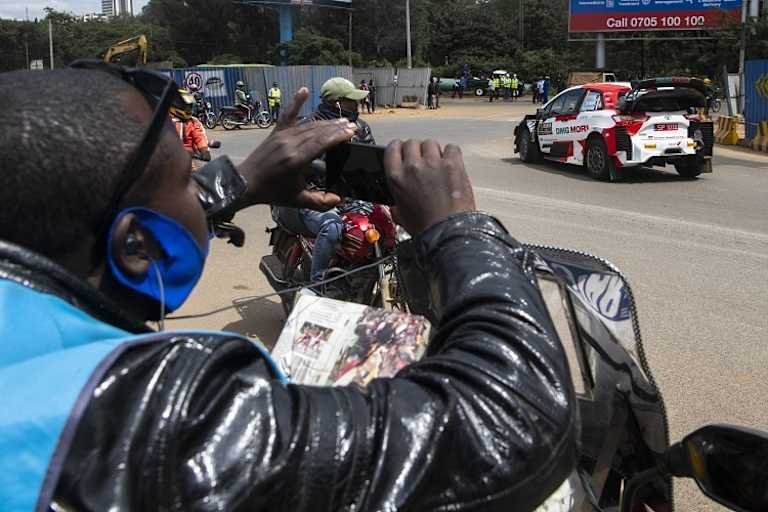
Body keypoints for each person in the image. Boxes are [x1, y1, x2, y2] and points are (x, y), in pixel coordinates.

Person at [0, 64, 577, 511]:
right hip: (309, 219)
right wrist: (458, 227)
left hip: (331, 205)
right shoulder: (155, 413)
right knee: (329, 229)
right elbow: (509, 428)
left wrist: (238, 181)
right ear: (137, 245)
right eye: (184, 181)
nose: (197, 190)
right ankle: (317, 285)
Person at [272, 77, 374, 282]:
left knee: (390, 220)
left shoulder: (360, 128)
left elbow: (372, 161)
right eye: (351, 101)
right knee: (332, 226)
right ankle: (317, 285)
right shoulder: (307, 128)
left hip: (349, 195)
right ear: (336, 103)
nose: (357, 104)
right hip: (310, 196)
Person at [170, 87, 210, 168]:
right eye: (185, 106)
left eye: (189, 106)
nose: (188, 109)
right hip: (166, 159)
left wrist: (204, 150)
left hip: (187, 158)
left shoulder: (193, 121)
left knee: (193, 173)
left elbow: (199, 137)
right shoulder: (162, 120)